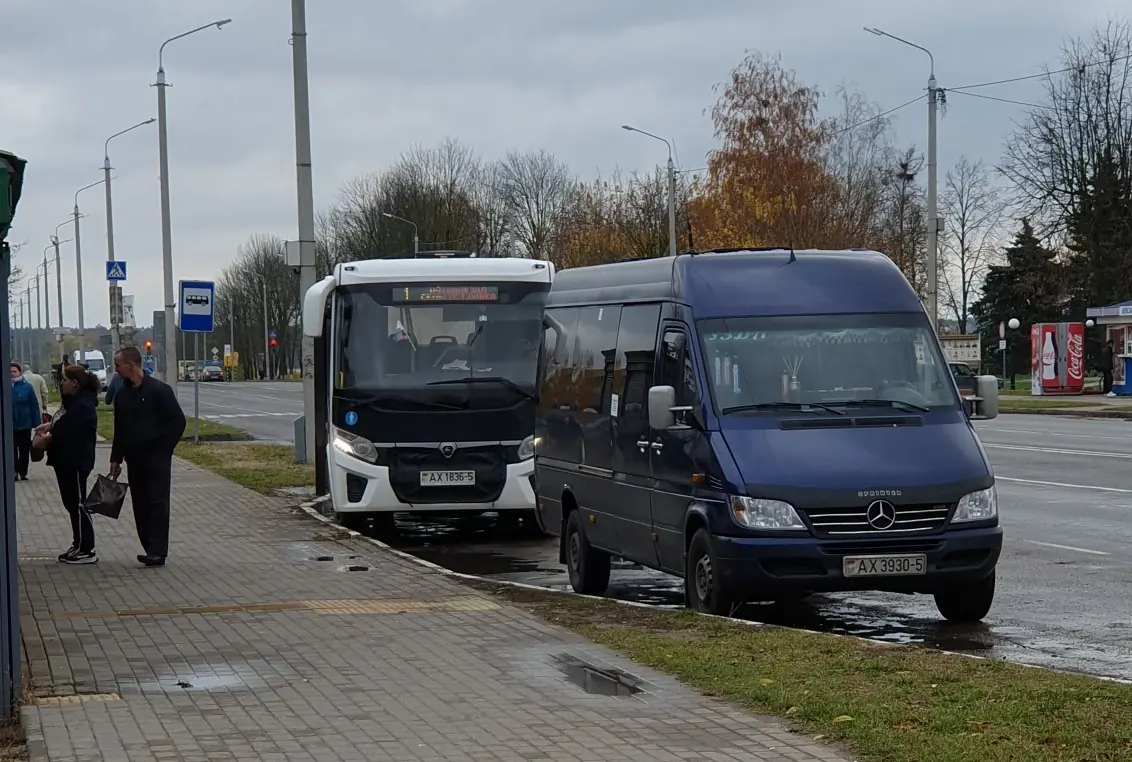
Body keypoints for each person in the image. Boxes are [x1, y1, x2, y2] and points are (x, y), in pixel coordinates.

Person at [108, 347, 186, 567]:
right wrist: (116, 458)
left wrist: (164, 448)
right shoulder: (122, 395)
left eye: (118, 366)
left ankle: (158, 551)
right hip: (135, 458)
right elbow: (119, 428)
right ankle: (148, 546)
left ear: (130, 365)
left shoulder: (159, 391)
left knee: (157, 502)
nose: (116, 370)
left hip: (157, 458)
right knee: (140, 503)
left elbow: (177, 421)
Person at [36, 365, 100, 564]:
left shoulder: (84, 405)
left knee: (79, 504)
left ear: (74, 382)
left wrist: (48, 440)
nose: (61, 383)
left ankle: (87, 548)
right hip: (64, 460)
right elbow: (63, 421)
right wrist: (49, 426)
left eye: (64, 379)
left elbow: (71, 431)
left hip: (76, 460)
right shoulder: (72, 402)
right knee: (71, 504)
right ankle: (78, 542)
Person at [10, 362, 41, 481]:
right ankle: (14, 471)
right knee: (11, 448)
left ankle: (23, 471)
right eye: (10, 372)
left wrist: (37, 424)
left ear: (19, 372)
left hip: (24, 423)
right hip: (10, 424)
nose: (12, 374)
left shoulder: (27, 386)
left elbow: (34, 405)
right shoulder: (6, 386)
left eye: (14, 371)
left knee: (23, 448)